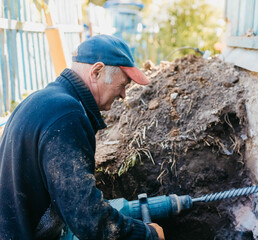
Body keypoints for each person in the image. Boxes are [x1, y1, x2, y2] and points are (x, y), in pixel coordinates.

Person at [0, 35, 165, 240]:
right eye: (123, 84)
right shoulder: (68, 116)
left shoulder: (43, 101)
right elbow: (88, 219)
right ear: (96, 71)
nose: (124, 95)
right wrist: (146, 234)